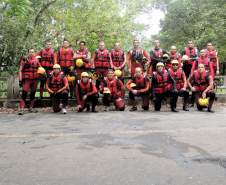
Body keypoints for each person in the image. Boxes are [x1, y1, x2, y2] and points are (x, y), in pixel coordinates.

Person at [18, 48, 41, 115]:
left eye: (33, 52)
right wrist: (20, 79)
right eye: (30, 52)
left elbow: (40, 68)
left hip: (35, 79)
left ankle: (31, 108)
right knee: (24, 94)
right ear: (28, 53)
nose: (31, 53)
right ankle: (21, 109)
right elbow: (20, 70)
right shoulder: (24, 60)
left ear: (34, 53)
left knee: (33, 94)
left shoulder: (36, 60)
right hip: (27, 79)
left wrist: (42, 75)